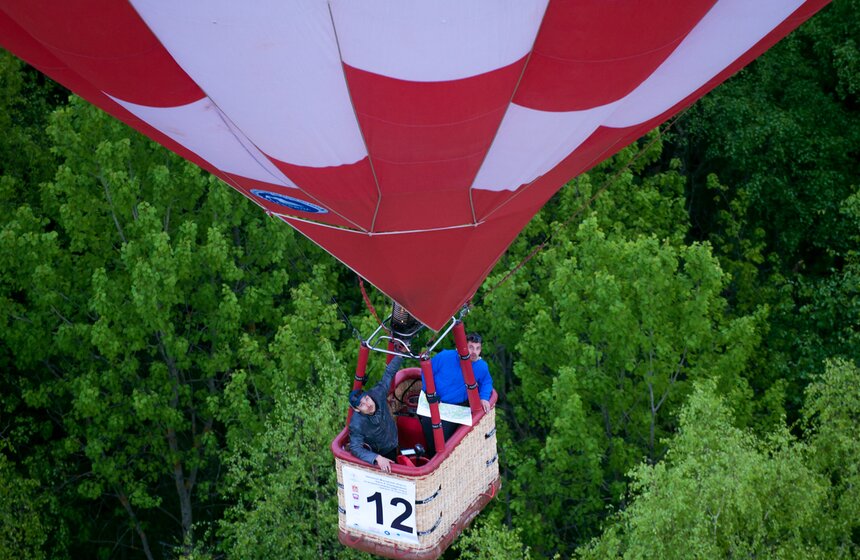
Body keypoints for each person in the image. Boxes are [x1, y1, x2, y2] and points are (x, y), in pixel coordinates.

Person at [420, 333, 493, 456]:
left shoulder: (481, 366)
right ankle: (429, 456)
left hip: (455, 407)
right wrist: (429, 391)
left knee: (444, 436)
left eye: (477, 348)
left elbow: (486, 382)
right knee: (427, 426)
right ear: (462, 347)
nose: (474, 352)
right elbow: (426, 371)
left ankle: (437, 459)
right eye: (471, 347)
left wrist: (484, 397)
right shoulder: (445, 356)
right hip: (434, 401)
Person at [348, 355, 404, 473]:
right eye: (362, 405)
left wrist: (400, 355)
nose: (368, 404)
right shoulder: (357, 424)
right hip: (382, 451)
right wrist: (377, 457)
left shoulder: (378, 394)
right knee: (394, 471)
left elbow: (388, 374)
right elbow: (355, 447)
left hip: (395, 438)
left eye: (367, 399)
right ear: (357, 410)